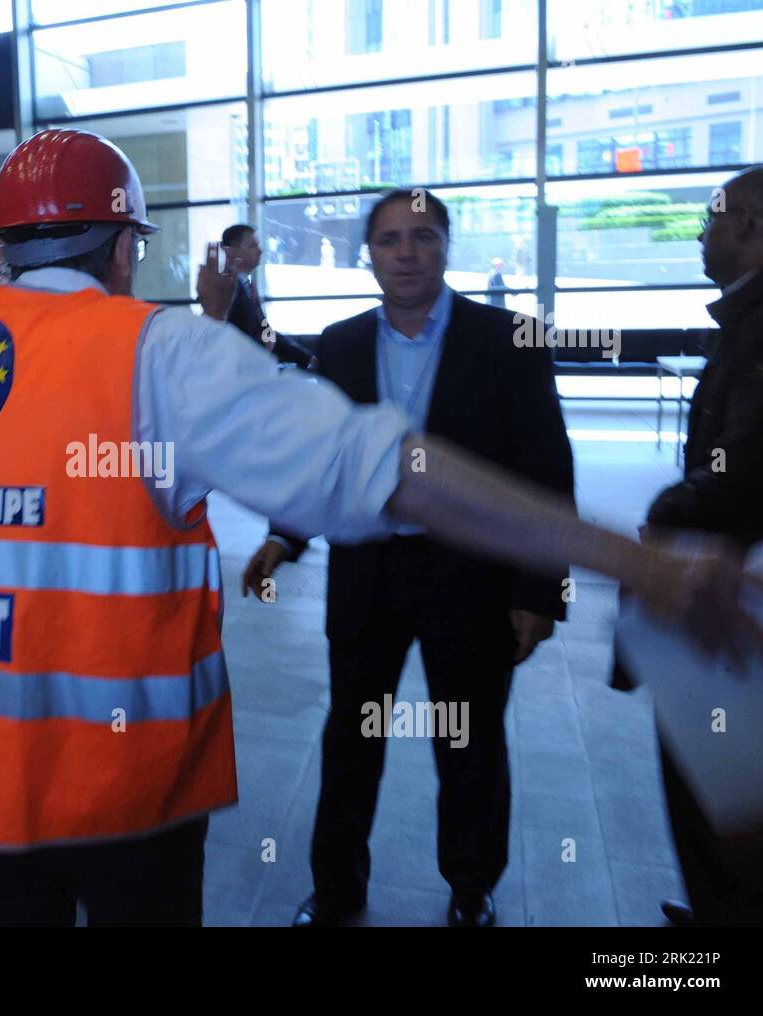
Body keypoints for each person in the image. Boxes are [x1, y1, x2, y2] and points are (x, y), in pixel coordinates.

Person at [0, 129, 763, 929]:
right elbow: (387, 469)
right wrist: (631, 559)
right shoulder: (158, 352)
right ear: (123, 249)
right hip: (120, 789)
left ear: (2, 249)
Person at [244, 188, 574, 928]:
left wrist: (539, 590)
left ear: (447, 246)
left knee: (468, 739)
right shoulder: (344, 341)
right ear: (369, 255)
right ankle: (336, 890)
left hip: (471, 575)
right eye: (390, 240)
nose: (406, 253)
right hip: (368, 573)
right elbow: (322, 459)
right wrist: (282, 537)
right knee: (352, 736)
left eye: (422, 237)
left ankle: (469, 887)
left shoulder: (508, 337)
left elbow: (546, 470)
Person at [620, 165, 763, 927]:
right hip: (732, 582)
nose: (702, 235)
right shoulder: (748, 319)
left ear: (748, 224)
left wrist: (666, 512)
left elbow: (748, 468)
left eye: (711, 219)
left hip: (730, 589)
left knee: (713, 768)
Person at [221, 224, 313, 369]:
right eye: (252, 246)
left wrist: (307, 358)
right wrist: (264, 345)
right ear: (232, 252)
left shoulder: (248, 287)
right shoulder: (224, 290)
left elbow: (266, 331)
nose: (260, 251)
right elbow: (232, 337)